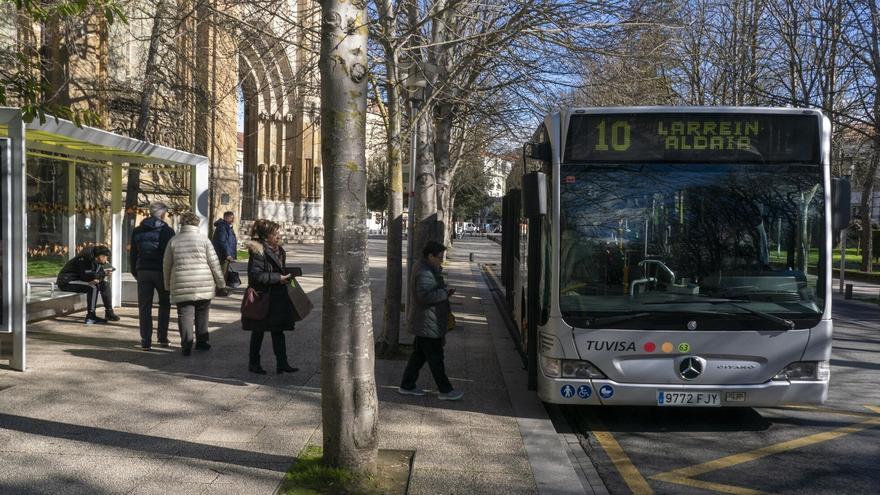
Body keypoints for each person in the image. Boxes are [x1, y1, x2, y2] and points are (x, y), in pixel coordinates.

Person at [399, 241, 463, 401]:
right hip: (428, 321)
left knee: (419, 356)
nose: (441, 260)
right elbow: (425, 296)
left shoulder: (427, 268)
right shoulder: (424, 271)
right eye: (439, 257)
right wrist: (444, 294)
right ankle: (445, 390)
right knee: (436, 358)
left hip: (427, 321)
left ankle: (407, 385)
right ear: (430, 256)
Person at [162, 212, 226, 356]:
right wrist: (221, 283)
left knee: (184, 314)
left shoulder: (174, 241)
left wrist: (167, 285)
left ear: (182, 224)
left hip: (181, 282)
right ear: (196, 224)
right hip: (203, 281)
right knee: (203, 312)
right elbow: (214, 263)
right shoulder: (204, 240)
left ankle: (186, 344)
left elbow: (166, 265)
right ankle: (202, 342)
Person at [241, 219, 298, 375]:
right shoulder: (258, 251)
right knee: (258, 332)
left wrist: (289, 275)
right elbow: (256, 275)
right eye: (275, 233)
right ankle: (254, 363)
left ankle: (282, 363)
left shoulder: (278, 250)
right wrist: (277, 278)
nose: (279, 235)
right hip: (263, 297)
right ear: (267, 236)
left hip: (277, 297)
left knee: (278, 331)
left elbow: (278, 268)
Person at [130, 202, 175, 349]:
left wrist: (135, 271)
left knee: (144, 307)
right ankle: (162, 337)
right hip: (161, 271)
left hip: (143, 270)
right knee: (164, 304)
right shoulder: (167, 231)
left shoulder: (137, 230)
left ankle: (146, 340)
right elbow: (170, 255)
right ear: (162, 214)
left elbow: (133, 254)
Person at [57, 245, 119, 325]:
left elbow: (96, 275)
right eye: (106, 257)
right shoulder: (84, 258)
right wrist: (102, 274)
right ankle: (91, 316)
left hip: (80, 279)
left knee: (105, 285)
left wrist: (102, 275)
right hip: (67, 281)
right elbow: (86, 275)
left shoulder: (97, 259)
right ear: (101, 256)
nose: (107, 259)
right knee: (93, 287)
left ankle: (109, 312)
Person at [212, 211, 238, 287]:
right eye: (231, 218)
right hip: (222, 255)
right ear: (226, 217)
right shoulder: (222, 227)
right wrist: (228, 254)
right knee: (222, 273)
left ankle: (222, 288)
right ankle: (220, 289)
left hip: (225, 254)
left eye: (233, 218)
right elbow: (222, 241)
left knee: (225, 272)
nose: (233, 220)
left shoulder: (227, 227)